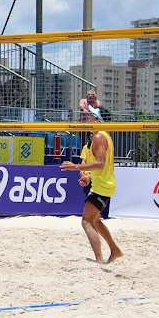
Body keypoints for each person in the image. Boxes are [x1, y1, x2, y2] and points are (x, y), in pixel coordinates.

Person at [61, 106, 122, 264]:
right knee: (94, 220)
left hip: (103, 186)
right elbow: (100, 166)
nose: (85, 117)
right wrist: (88, 177)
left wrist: (77, 167)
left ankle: (100, 261)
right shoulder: (101, 136)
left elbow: (100, 164)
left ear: (97, 119)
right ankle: (115, 250)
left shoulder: (100, 137)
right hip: (100, 184)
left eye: (89, 115)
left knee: (86, 221)